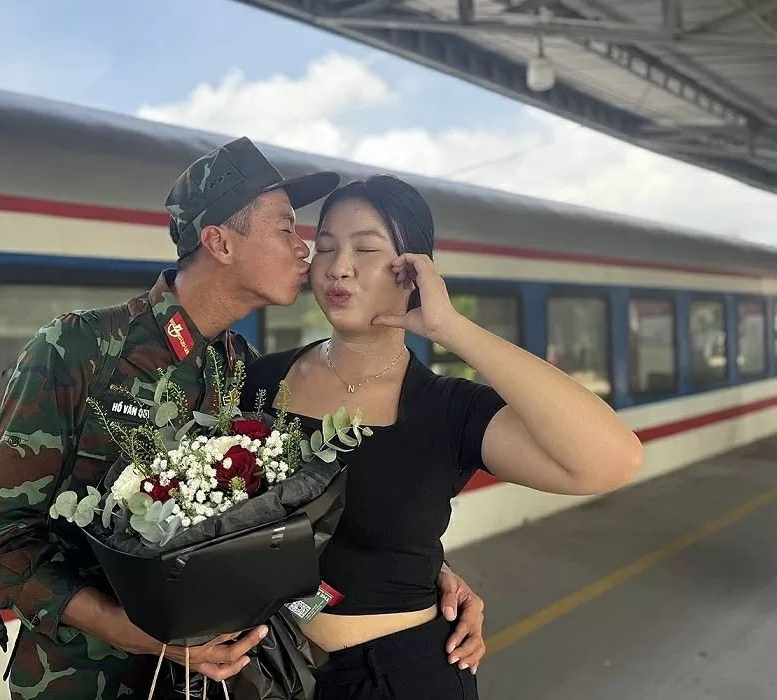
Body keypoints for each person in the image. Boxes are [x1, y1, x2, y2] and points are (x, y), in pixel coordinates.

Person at [0, 139, 490, 700]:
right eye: (286, 228)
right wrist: (136, 632)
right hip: (81, 682)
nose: (306, 250)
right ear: (220, 242)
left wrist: (430, 579)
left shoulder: (246, 372)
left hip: (211, 685)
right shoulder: (80, 350)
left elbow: (284, 523)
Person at [240, 174, 644, 700]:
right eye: (327, 247)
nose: (339, 266)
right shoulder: (262, 380)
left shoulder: (447, 409)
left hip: (398, 679)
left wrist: (451, 327)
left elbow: (611, 461)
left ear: (412, 270)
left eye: (366, 248)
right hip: (270, 671)